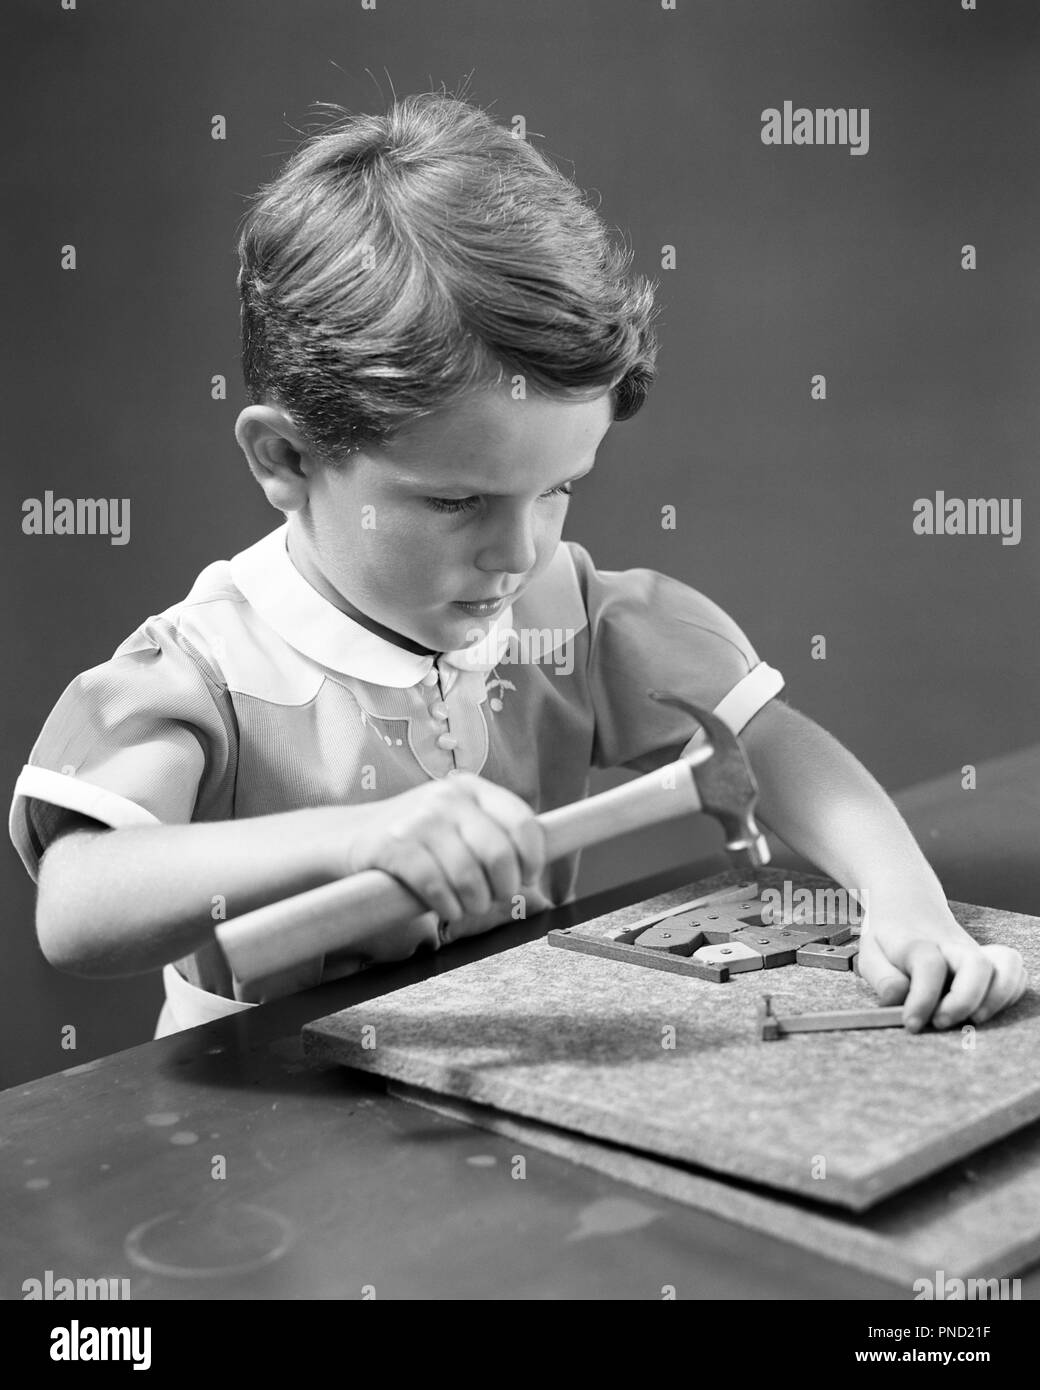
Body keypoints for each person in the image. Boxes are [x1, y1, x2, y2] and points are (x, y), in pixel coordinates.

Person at [9, 92, 1026, 1036]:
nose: (518, 548)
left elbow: (768, 741)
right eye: (455, 501)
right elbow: (80, 907)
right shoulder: (209, 668)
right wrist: (354, 838)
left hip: (515, 1079)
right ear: (285, 458)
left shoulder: (562, 612)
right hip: (257, 1130)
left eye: (557, 488)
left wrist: (905, 904)